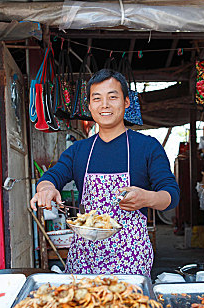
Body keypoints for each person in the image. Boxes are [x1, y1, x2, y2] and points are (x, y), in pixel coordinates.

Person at [30, 69, 179, 276]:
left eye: (113, 97)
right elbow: (52, 177)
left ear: (126, 102)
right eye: (97, 98)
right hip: (84, 258)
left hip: (131, 257)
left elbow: (171, 195)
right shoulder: (79, 151)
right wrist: (45, 189)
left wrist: (147, 198)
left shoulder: (147, 147)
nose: (105, 105)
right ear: (89, 106)